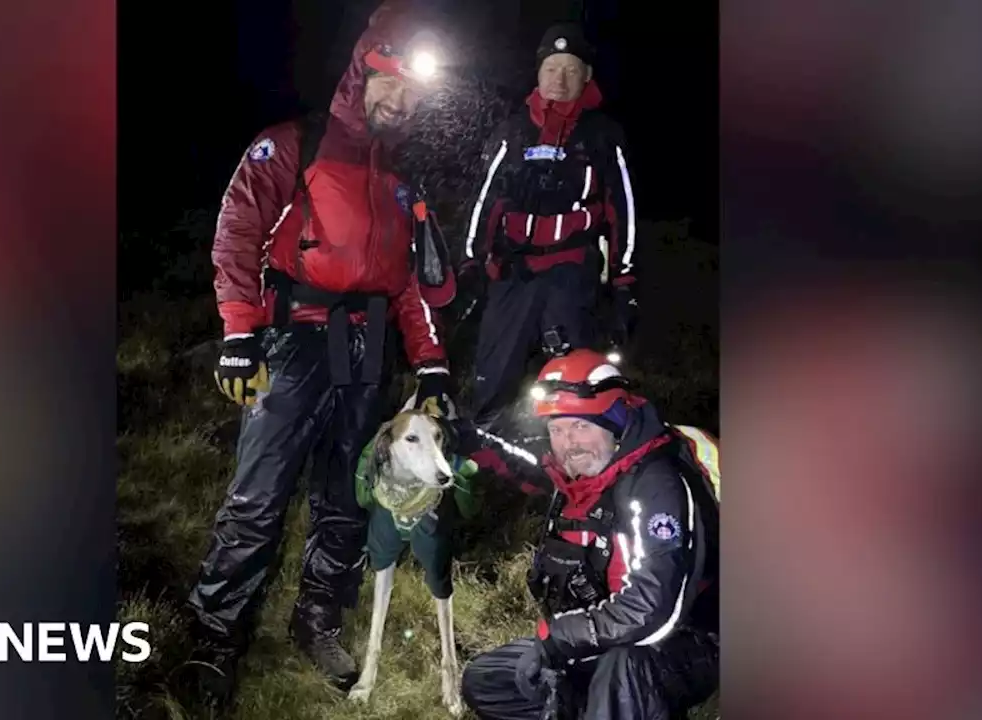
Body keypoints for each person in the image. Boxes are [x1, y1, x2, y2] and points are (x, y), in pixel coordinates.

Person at [185, 0, 457, 708]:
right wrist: (240, 336)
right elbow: (236, 233)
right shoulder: (295, 143)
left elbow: (409, 288)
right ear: (360, 75)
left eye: (411, 90)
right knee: (258, 498)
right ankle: (215, 638)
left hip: (367, 356)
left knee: (345, 497)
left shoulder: (401, 183)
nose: (397, 98)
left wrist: (429, 361)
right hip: (293, 339)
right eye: (388, 81)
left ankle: (317, 619)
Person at [460, 348, 719, 719]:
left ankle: (614, 702)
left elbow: (654, 611)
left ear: (614, 421)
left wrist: (561, 638)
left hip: (687, 639)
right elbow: (525, 465)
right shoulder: (577, 479)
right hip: (603, 632)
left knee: (623, 669)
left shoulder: (655, 485)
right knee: (488, 679)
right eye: (557, 429)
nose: (569, 443)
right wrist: (473, 440)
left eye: (581, 426)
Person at [453, 22, 640, 494]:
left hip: (571, 271)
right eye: (551, 68)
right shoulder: (513, 130)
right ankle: (489, 468)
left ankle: (580, 478)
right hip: (515, 271)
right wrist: (472, 264)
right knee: (493, 373)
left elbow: (623, 211)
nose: (559, 79)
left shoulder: (602, 135)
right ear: (538, 74)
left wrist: (624, 283)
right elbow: (484, 200)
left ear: (586, 76)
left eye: (571, 70)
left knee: (574, 375)